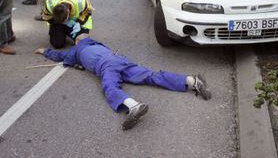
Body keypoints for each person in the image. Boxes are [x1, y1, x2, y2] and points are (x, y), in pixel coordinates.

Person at [35, 34, 212, 130]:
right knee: (151, 75)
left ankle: (133, 106)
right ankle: (191, 81)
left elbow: (60, 55)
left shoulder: (77, 49)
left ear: (77, 42)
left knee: (110, 87)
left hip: (106, 66)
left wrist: (44, 51)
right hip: (120, 59)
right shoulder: (99, 45)